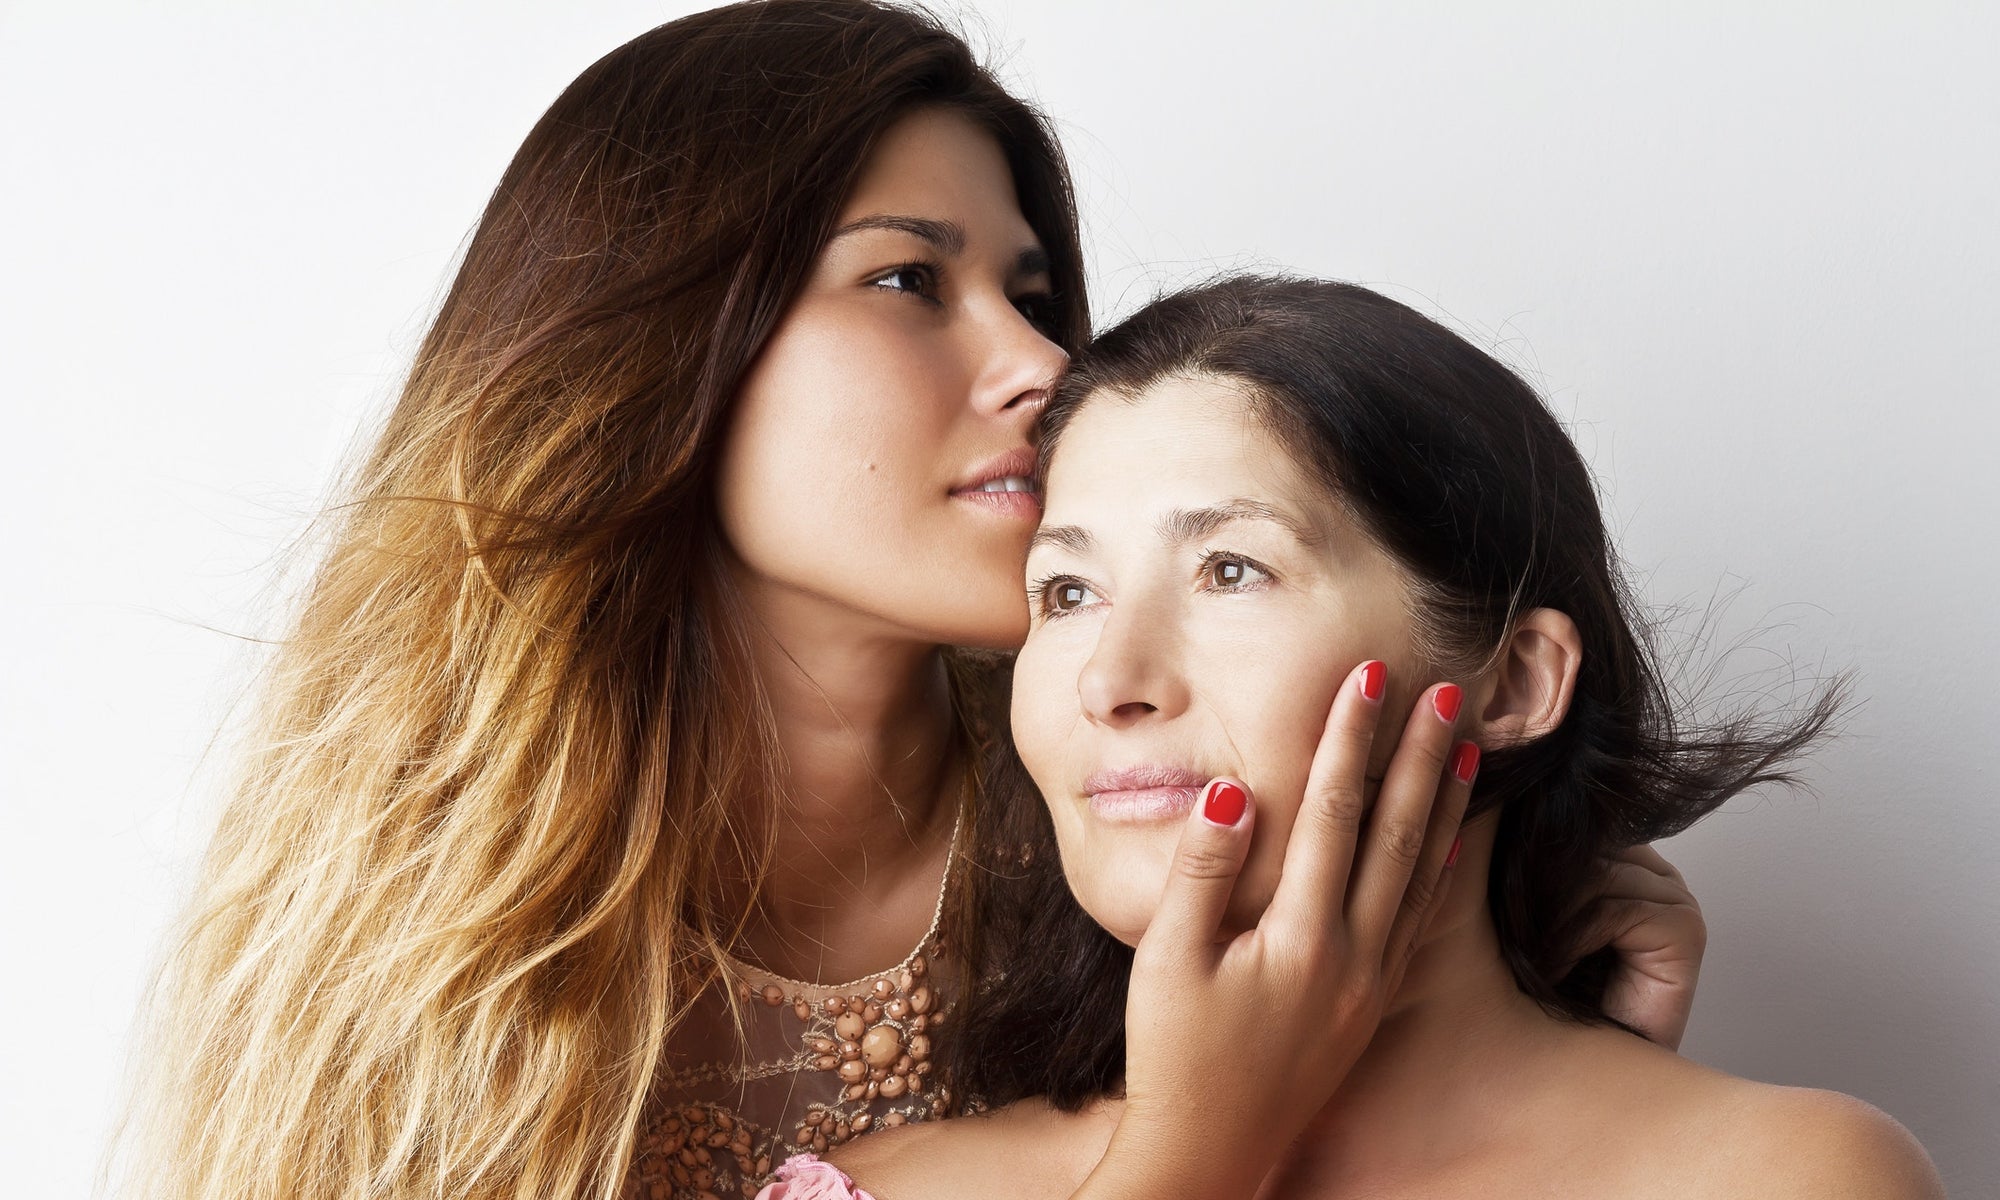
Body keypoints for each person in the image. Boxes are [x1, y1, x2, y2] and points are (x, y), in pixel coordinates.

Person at [118, 6, 1708, 1199]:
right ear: (663, 344)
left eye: (1031, 293)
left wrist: (1562, 1060)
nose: (1043, 367)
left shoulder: (1145, 831)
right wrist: (1186, 1157)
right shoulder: (405, 905)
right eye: (906, 281)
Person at [807, 276, 1945, 1199]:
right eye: (1063, 593)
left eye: (1230, 570)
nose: (1110, 679)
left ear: (1510, 683)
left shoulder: (1788, 1178)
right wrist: (1185, 1160)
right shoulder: (889, 1188)